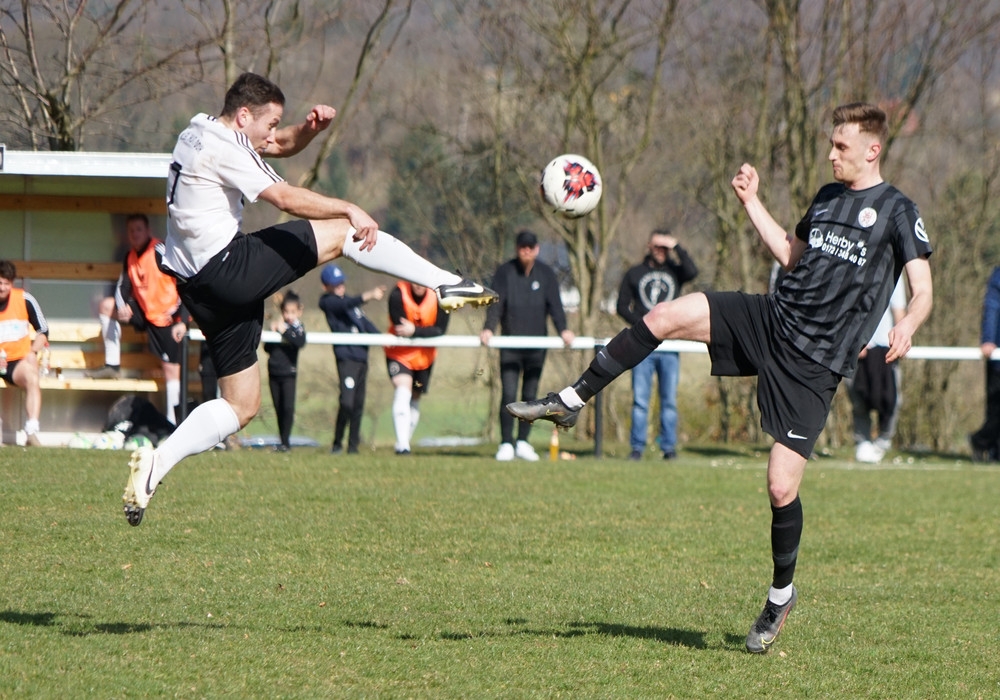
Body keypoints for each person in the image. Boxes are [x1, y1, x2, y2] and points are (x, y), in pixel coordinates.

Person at [507, 103, 934, 653]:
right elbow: (792, 255)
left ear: (872, 150)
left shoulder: (898, 210)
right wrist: (752, 202)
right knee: (664, 316)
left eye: (841, 146)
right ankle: (571, 399)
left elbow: (922, 288)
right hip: (772, 318)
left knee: (780, 486)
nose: (831, 154)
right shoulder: (828, 198)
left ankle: (780, 597)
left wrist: (908, 323)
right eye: (831, 144)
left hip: (816, 361)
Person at [122, 71, 496, 526]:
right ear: (244, 115)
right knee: (341, 234)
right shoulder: (227, 148)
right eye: (270, 123)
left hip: (196, 285)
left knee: (241, 404)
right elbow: (283, 197)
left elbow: (276, 145)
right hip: (228, 268)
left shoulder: (199, 129)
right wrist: (347, 208)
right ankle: (443, 282)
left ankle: (157, 464)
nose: (273, 134)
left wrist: (308, 130)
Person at [480, 230, 575, 462]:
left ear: (536, 249)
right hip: (510, 346)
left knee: (531, 396)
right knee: (509, 394)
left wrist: (563, 329)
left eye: (530, 247)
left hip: (536, 347)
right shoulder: (504, 272)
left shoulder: (546, 274)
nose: (526, 251)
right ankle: (506, 442)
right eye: (522, 246)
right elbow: (496, 304)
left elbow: (555, 306)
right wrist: (489, 328)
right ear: (517, 248)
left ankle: (523, 441)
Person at [94, 214, 189, 423]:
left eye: (139, 229)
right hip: (145, 313)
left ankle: (173, 423)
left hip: (167, 318)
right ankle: (112, 364)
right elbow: (123, 286)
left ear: (148, 231)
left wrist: (182, 319)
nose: (135, 234)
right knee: (106, 306)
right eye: (131, 230)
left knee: (171, 370)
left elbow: (184, 279)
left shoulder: (159, 250)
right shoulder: (129, 257)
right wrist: (123, 307)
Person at [617, 229, 698, 460]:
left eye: (665, 248)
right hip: (642, 346)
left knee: (669, 400)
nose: (661, 251)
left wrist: (676, 245)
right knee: (640, 400)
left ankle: (668, 448)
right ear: (649, 246)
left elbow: (693, 271)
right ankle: (637, 448)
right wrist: (643, 325)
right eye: (657, 246)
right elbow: (621, 306)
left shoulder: (675, 272)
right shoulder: (634, 273)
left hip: (669, 346)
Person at [318, 263, 385, 455]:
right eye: (335, 284)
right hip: (346, 359)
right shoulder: (328, 302)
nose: (340, 287)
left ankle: (353, 447)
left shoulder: (351, 304)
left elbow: (367, 325)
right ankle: (337, 443)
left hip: (362, 358)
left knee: (358, 404)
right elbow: (344, 305)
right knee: (347, 403)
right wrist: (368, 296)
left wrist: (386, 340)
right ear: (326, 286)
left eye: (341, 282)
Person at [385, 281, 448, 455]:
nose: (418, 286)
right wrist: (422, 331)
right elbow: (400, 328)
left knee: (415, 397)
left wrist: (414, 331)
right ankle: (403, 445)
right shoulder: (398, 293)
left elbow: (440, 330)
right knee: (403, 390)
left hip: (425, 357)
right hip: (400, 354)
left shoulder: (439, 297)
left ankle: (404, 441)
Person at [849, 278, 907, 463]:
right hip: (856, 348)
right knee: (858, 399)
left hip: (884, 348)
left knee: (891, 400)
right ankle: (862, 441)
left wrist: (900, 341)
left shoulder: (894, 274)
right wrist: (854, 339)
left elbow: (898, 309)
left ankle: (883, 440)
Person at [0, 260, 49, 447]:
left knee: (31, 374)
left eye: (6, 283)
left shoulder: (24, 299)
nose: (2, 288)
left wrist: (33, 351)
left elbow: (43, 331)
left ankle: (31, 431)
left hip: (15, 362)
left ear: (12, 283)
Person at [263, 290, 306, 452]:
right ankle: (282, 441)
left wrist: (284, 332)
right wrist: (272, 332)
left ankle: (286, 442)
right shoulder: (278, 326)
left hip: (289, 373)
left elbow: (300, 342)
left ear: (299, 311)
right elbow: (267, 348)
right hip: (274, 372)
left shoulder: (297, 328)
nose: (289, 316)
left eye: (293, 312)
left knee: (288, 407)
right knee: (279, 407)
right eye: (286, 312)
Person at [970, 265, 1000, 462]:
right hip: (998, 357)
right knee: (996, 408)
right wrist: (988, 339)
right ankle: (982, 442)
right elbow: (992, 305)